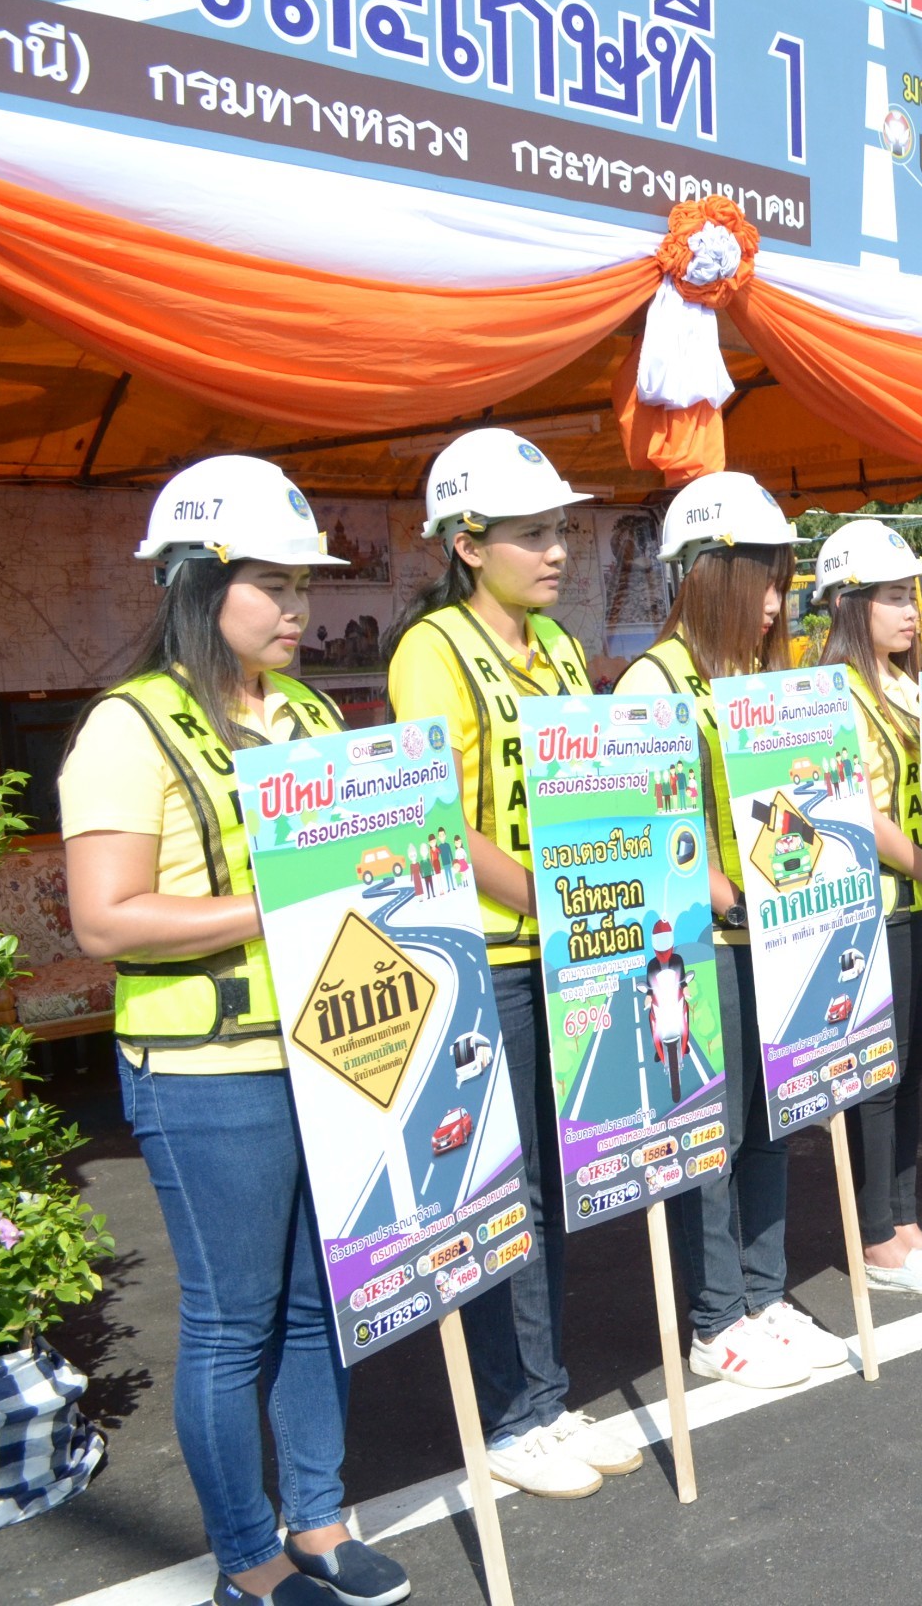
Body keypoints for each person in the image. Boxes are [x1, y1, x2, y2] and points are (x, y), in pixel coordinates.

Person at [63, 459, 414, 1606]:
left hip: (331, 1048)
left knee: (322, 1301)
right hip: (205, 1072)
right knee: (232, 1322)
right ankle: (249, 1559)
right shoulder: (128, 727)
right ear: (196, 583)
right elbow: (104, 918)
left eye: (306, 584)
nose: (301, 607)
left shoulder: (309, 713)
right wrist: (275, 905)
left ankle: (318, 1521)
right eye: (274, 583)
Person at [385, 429, 641, 1499]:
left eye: (560, 531)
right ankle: (514, 1412)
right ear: (465, 542)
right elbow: (436, 813)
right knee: (507, 1191)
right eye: (532, 535)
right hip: (491, 955)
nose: (558, 552)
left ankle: (544, 1391)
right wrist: (544, 892)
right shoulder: (432, 650)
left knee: (556, 1178)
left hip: (571, 948)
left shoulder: (557, 648)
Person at [616, 472, 854, 1386]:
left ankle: (764, 1294)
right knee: (708, 1140)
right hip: (700, 948)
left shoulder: (758, 676)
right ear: (710, 575)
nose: (774, 605)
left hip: (775, 935)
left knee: (770, 1123)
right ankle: (717, 1320)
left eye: (781, 586)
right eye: (762, 583)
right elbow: (648, 830)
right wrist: (725, 890)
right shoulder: (654, 680)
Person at [817, 519, 922, 1294]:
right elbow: (855, 806)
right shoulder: (834, 693)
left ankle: (905, 1219)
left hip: (921, 903)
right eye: (891, 597)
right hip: (873, 908)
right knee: (875, 1079)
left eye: (912, 595)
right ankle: (875, 1234)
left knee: (911, 1069)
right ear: (848, 605)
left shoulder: (909, 684)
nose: (911, 611)